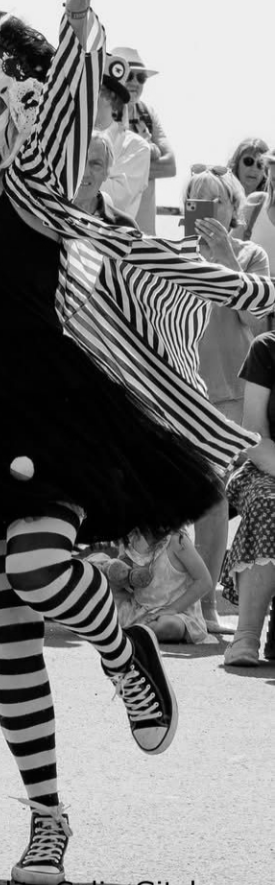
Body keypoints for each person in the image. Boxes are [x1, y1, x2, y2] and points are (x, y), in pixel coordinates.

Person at [0, 0, 275, 885]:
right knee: (5, 629)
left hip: (46, 407)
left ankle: (123, 652)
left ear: (16, 106)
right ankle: (46, 820)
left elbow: (113, 224)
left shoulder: (32, 188)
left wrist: (77, 26)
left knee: (44, 563)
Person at [179, 169, 271, 632]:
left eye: (217, 201)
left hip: (233, 398)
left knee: (215, 502)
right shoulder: (174, 255)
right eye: (197, 200)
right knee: (199, 499)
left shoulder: (252, 256)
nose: (207, 209)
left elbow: (256, 323)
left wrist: (227, 260)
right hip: (181, 394)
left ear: (233, 209)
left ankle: (209, 606)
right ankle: (181, 602)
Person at [219, 330, 275, 666]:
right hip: (265, 466)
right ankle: (246, 636)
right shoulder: (267, 348)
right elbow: (253, 434)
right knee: (270, 504)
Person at [95, 527, 212, 645]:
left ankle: (131, 632)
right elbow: (126, 582)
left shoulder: (177, 541)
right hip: (140, 611)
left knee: (171, 626)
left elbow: (204, 581)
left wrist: (172, 609)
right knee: (100, 607)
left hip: (178, 613)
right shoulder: (131, 540)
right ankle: (137, 630)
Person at [108, 46, 175, 234]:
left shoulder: (147, 113)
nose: (135, 83)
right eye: (129, 76)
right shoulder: (96, 113)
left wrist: (122, 167)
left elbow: (170, 166)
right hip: (108, 232)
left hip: (143, 234)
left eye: (141, 78)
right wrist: (146, 153)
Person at [96, 65, 153, 222]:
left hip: (109, 242)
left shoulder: (137, 147)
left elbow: (116, 199)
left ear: (110, 97)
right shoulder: (69, 138)